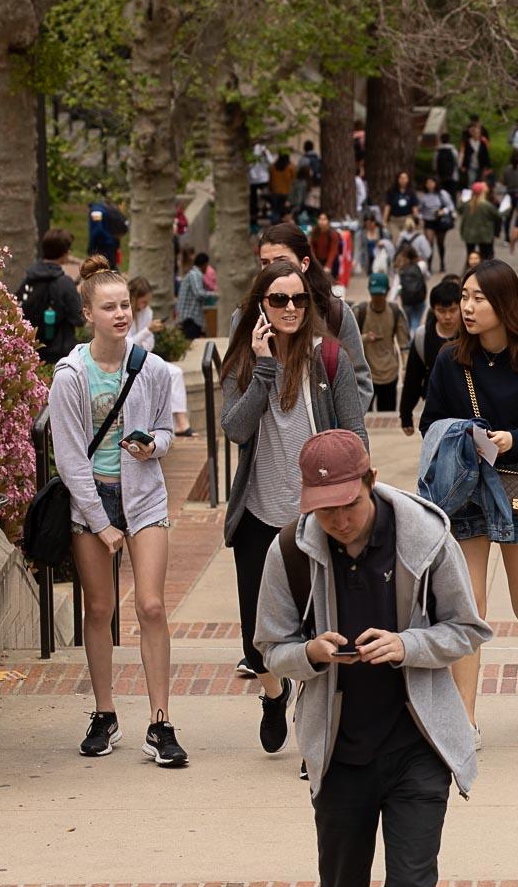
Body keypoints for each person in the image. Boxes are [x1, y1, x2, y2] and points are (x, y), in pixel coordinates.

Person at [253, 430, 490, 887]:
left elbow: (468, 629)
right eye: (322, 509)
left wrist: (409, 645)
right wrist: (309, 654)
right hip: (340, 753)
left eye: (348, 505)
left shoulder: (426, 537)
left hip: (417, 746)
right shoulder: (290, 549)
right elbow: (270, 646)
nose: (337, 520)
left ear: (371, 480)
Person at [418, 260, 518, 744]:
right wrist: (461, 437)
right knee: (470, 606)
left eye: (478, 299)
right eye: (464, 297)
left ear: (503, 303)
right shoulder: (450, 361)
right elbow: (431, 423)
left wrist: (513, 441)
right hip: (466, 494)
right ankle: (465, 714)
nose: (466, 307)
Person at [220, 259, 368, 751]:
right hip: (259, 515)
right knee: (259, 635)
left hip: (316, 513)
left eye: (299, 299)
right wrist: (264, 369)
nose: (290, 308)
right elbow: (236, 430)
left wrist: (360, 495)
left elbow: (353, 434)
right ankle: (270, 692)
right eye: (279, 299)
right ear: (261, 304)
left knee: (319, 624)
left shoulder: (329, 359)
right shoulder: (243, 362)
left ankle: (314, 727)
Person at [49, 257, 187, 764]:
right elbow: (68, 458)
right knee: (100, 609)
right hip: (93, 501)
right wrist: (101, 522)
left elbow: (170, 430)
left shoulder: (149, 368)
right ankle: (105, 713)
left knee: (151, 606)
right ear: (88, 312)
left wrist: (155, 445)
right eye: (108, 307)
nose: (120, 314)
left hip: (144, 495)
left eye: (125, 305)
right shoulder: (70, 376)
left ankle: (161, 721)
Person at [255, 222, 375, 412]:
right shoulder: (247, 316)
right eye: (264, 263)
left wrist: (337, 432)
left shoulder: (335, 312)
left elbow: (360, 381)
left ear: (304, 263)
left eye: (280, 261)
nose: (271, 270)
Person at [399, 278, 463, 437]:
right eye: (442, 311)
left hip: (466, 407)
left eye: (453, 310)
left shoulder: (472, 335)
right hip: (436, 408)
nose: (447, 316)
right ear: (433, 309)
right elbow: (413, 378)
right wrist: (406, 414)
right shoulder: (423, 337)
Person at [19, 228, 85, 365]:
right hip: (60, 356)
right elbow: (79, 319)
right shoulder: (65, 283)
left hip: (30, 352)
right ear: (65, 252)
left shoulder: (29, 279)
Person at [357, 272, 412, 413]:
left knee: (387, 415)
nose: (377, 298)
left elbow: (404, 344)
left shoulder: (395, 312)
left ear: (387, 292)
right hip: (365, 375)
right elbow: (346, 342)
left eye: (381, 294)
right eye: (374, 294)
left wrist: (405, 368)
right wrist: (365, 338)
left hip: (389, 373)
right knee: (363, 416)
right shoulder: (360, 311)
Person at [418, 179, 456, 273]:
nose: (430, 185)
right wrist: (421, 217)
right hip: (429, 221)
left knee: (440, 243)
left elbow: (451, 206)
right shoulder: (424, 196)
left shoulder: (442, 194)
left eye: (432, 183)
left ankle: (442, 263)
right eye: (428, 183)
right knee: (429, 243)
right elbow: (419, 210)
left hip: (440, 221)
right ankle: (429, 265)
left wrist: (443, 211)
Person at [458, 181, 501, 262]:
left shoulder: (467, 204)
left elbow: (459, 209)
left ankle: (471, 271)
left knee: (470, 256)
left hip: (469, 234)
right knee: (487, 258)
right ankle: (485, 273)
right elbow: (498, 216)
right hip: (485, 235)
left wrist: (461, 199)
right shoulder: (487, 205)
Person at [175, 250, 209, 341]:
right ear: (205, 264)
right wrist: (213, 295)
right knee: (191, 344)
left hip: (187, 317)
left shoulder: (191, 274)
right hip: (190, 317)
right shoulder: (195, 274)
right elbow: (199, 293)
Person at [87, 197, 129, 267]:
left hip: (102, 245)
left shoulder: (95, 211)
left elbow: (97, 230)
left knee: (105, 268)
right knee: (111, 267)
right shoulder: (104, 207)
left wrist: (91, 247)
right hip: (113, 242)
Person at [310, 212, 343, 281]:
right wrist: (314, 262)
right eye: (320, 219)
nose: (322, 221)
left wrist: (328, 266)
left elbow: (333, 251)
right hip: (319, 260)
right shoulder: (315, 232)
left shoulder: (333, 234)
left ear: (328, 221)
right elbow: (312, 248)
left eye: (324, 219)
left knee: (331, 281)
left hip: (332, 260)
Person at [126, 276, 157, 352]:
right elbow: (127, 346)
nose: (146, 305)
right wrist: (148, 330)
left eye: (148, 301)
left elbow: (150, 343)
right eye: (144, 302)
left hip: (143, 356)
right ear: (133, 299)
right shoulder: (123, 315)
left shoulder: (147, 311)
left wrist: (140, 348)